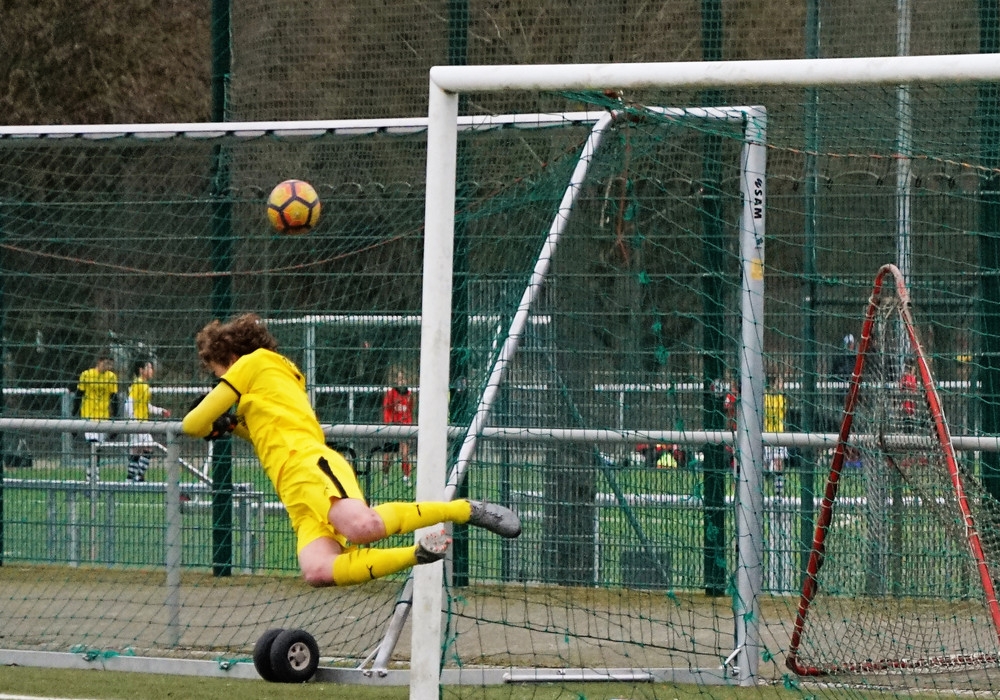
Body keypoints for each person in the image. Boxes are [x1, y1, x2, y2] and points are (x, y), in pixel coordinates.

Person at [181, 313, 521, 588]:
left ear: (231, 358)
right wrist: (230, 424)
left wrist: (213, 420)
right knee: (317, 569)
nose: (219, 380)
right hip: (292, 487)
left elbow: (192, 425)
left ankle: (463, 509)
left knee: (361, 527)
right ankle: (417, 554)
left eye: (218, 373)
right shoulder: (269, 379)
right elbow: (262, 435)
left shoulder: (254, 363)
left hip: (308, 464)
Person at [124, 359, 171, 482]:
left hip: (141, 422)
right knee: (148, 446)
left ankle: (131, 477)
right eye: (149, 368)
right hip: (138, 423)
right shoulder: (138, 384)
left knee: (137, 451)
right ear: (141, 370)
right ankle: (138, 476)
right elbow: (129, 403)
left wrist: (160, 411)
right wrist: (133, 421)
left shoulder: (144, 385)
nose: (152, 371)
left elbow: (146, 406)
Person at [75, 354, 119, 445]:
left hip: (103, 416)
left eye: (110, 365)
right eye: (106, 363)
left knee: (99, 445)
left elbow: (114, 398)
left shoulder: (111, 377)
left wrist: (115, 416)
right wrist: (75, 413)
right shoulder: (86, 375)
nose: (108, 367)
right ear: (99, 362)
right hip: (88, 415)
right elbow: (78, 395)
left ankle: (96, 454)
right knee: (92, 442)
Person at [382, 369, 415, 483]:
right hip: (392, 427)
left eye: (403, 379)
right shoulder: (391, 393)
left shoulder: (409, 394)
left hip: (404, 428)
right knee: (388, 456)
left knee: (405, 454)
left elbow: (410, 411)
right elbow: (386, 409)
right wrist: (388, 423)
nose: (402, 381)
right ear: (396, 380)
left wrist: (408, 425)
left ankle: (406, 477)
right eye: (399, 379)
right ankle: (385, 476)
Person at [763, 375, 788, 494]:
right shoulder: (766, 398)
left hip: (779, 434)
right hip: (767, 434)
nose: (781, 386)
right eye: (779, 383)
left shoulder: (781, 398)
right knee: (765, 463)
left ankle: (778, 492)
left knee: (779, 462)